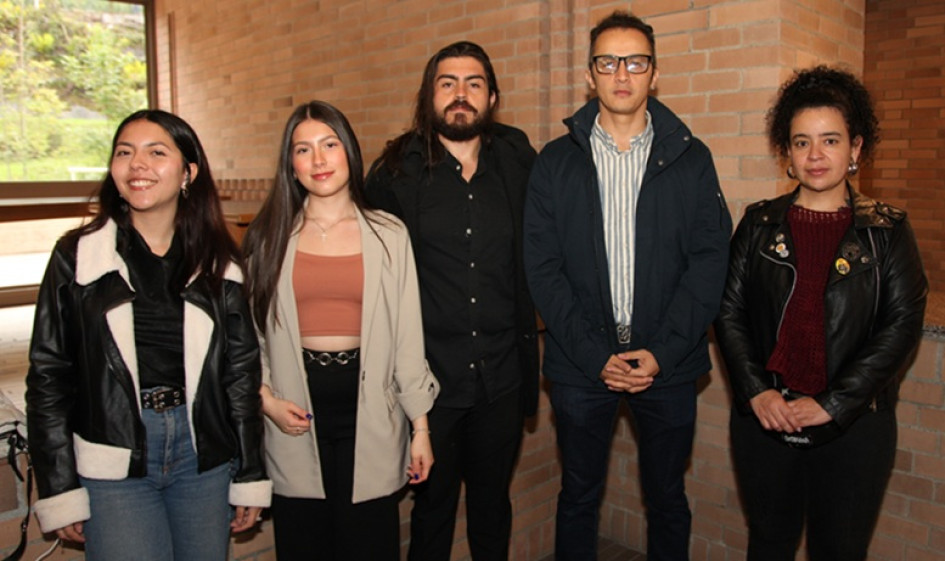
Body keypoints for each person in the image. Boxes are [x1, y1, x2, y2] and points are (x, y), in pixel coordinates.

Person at [523, 11, 732, 561]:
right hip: (579, 364)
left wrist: (661, 353)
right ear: (589, 75)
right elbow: (542, 269)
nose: (622, 73)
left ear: (653, 73)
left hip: (668, 363)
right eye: (607, 61)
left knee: (667, 498)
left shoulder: (691, 158)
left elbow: (709, 265)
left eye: (635, 61)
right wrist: (596, 356)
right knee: (578, 498)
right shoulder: (555, 161)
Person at [25, 110, 271, 561]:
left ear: (188, 172)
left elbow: (240, 376)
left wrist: (249, 472)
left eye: (156, 152)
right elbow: (48, 377)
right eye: (124, 152)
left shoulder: (221, 263)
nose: (137, 164)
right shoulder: (76, 257)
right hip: (115, 456)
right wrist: (59, 485)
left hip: (202, 456)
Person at [715, 66, 928, 561]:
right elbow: (729, 313)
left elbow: (901, 325)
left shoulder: (888, 230)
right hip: (766, 421)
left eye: (830, 140)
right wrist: (756, 392)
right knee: (768, 543)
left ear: (855, 149)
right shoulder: (758, 223)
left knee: (840, 549)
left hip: (854, 427)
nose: (815, 155)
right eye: (801, 142)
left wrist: (833, 403)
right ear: (786, 153)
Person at [365, 41, 540, 561]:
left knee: (492, 508)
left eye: (474, 84)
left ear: (492, 98)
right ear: (428, 96)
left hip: (500, 376)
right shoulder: (394, 171)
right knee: (433, 510)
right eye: (447, 84)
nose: (460, 95)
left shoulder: (517, 160)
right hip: (428, 382)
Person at [242, 100, 439, 561]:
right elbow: (248, 338)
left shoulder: (389, 234)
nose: (318, 160)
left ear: (349, 151)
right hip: (293, 413)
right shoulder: (268, 236)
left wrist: (421, 427)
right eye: (303, 149)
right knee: (304, 545)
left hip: (370, 413)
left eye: (329, 144)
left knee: (368, 545)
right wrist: (266, 399)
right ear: (290, 165)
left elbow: (408, 338)